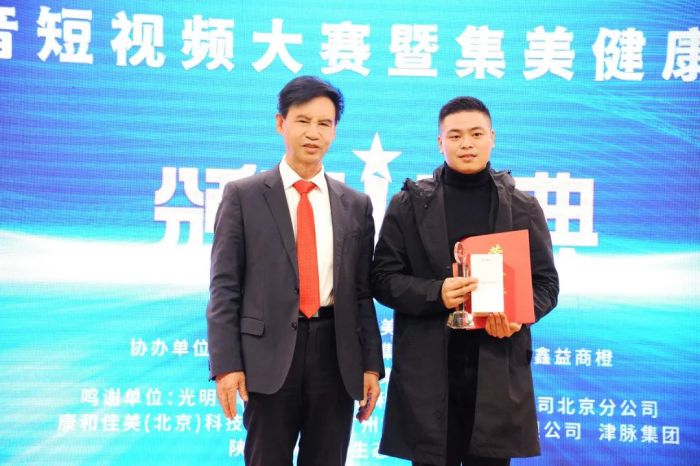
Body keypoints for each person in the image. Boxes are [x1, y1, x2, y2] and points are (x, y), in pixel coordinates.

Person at [206, 75, 384, 466]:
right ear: (280, 123)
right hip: (266, 356)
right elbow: (224, 287)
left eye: (324, 123)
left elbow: (361, 293)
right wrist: (226, 365)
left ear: (335, 131)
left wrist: (372, 364)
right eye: (302, 121)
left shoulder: (356, 204)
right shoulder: (243, 196)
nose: (313, 133)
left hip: (336, 356)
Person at [371, 96, 559, 466]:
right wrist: (435, 293)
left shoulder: (522, 207)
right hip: (429, 369)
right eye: (455, 136)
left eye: (476, 134)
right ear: (439, 142)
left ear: (493, 138)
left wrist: (520, 315)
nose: (466, 144)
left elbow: (546, 285)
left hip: (496, 366)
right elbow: (382, 278)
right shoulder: (409, 204)